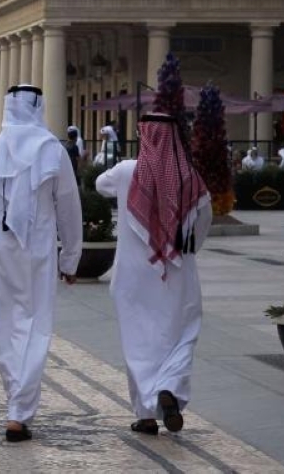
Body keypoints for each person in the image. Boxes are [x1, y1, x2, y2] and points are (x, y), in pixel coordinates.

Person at [0, 85, 82, 442]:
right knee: (35, 326)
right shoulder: (53, 150)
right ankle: (19, 409)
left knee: (6, 327)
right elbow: (69, 207)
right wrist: (70, 258)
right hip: (37, 250)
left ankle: (16, 402)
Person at [96, 110, 212, 436]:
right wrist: (180, 249)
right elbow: (203, 225)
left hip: (133, 276)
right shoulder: (191, 179)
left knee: (138, 342)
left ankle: (146, 416)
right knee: (182, 335)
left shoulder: (125, 171)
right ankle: (168, 388)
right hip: (178, 274)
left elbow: (99, 184)